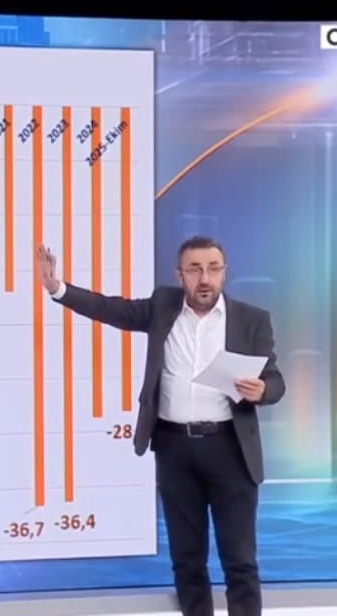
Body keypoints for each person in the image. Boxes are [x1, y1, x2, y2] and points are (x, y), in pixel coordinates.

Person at [34, 235, 285, 616]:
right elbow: (110, 309)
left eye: (213, 269)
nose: (205, 278)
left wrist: (263, 390)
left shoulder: (252, 319)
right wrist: (58, 289)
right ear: (180, 275)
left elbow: (276, 381)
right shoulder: (162, 307)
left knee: (240, 561)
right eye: (195, 269)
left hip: (230, 449)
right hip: (174, 448)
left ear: (224, 272)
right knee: (187, 560)